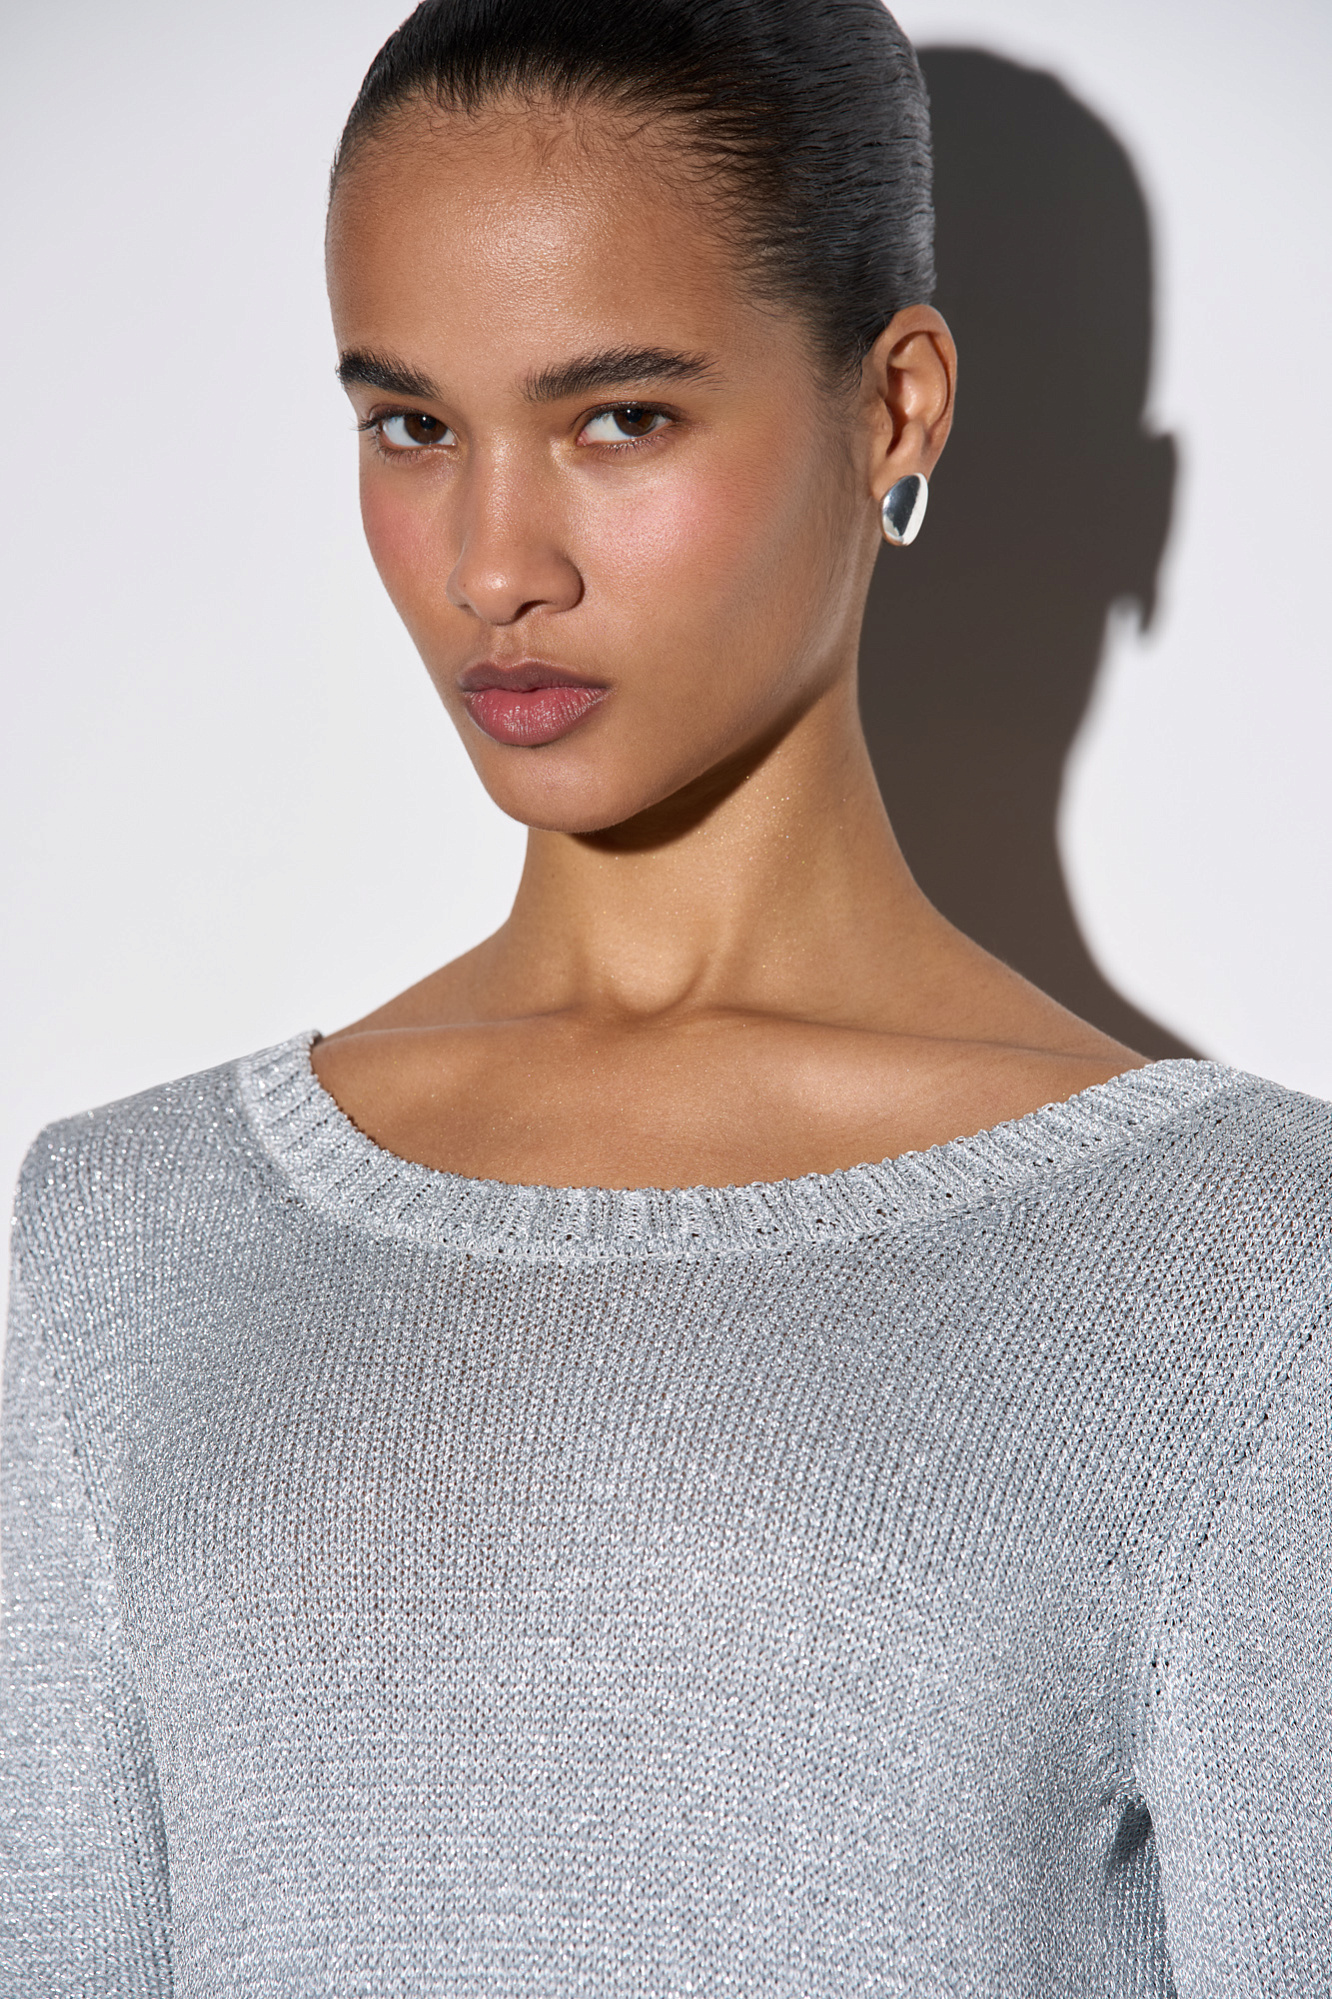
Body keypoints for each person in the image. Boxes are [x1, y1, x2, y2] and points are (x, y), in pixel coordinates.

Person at [1, 0, 1327, 1991]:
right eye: (411, 425)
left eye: (619, 418)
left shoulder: (1246, 1277)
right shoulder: (134, 1237)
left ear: (896, 407)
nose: (493, 565)